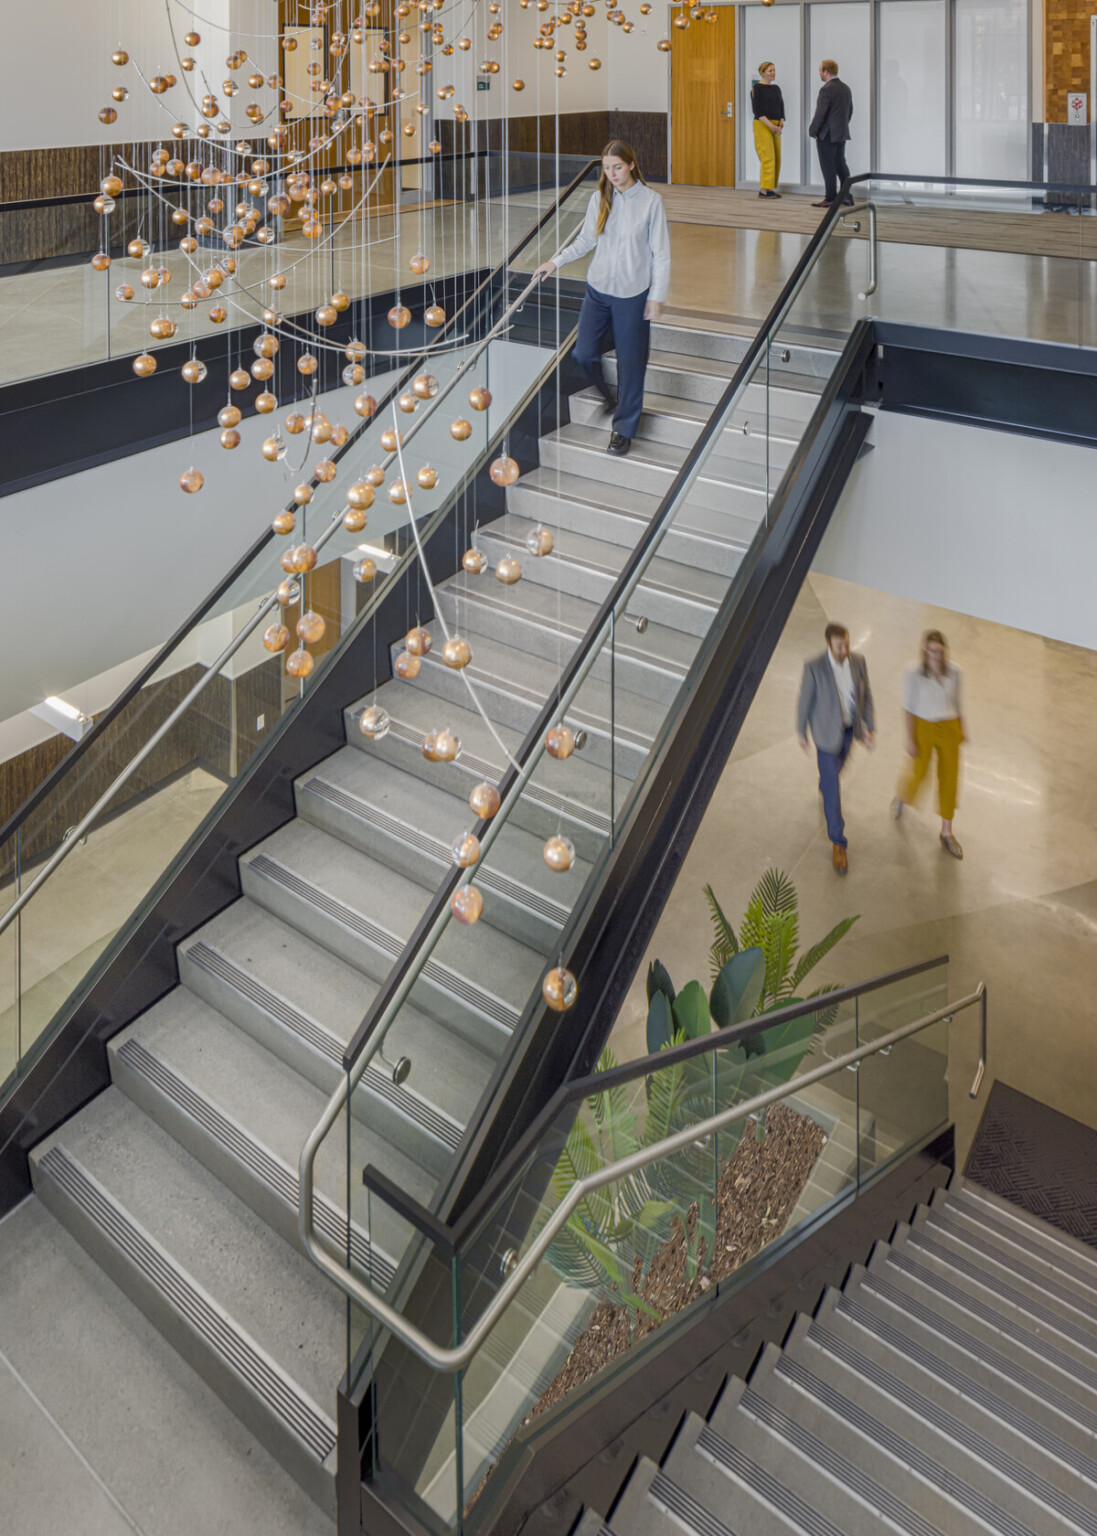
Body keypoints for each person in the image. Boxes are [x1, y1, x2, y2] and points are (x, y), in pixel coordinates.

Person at [534, 140, 670, 458]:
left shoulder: (652, 202)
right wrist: (555, 261)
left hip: (632, 296)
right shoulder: (599, 198)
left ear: (632, 165)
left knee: (631, 363)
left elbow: (661, 255)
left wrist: (657, 296)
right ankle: (611, 399)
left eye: (617, 167)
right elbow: (585, 240)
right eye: (607, 168)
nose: (612, 174)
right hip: (598, 291)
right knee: (582, 353)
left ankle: (623, 429)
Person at [797, 622, 875, 874]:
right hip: (825, 734)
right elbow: (804, 699)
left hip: (850, 730)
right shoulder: (814, 667)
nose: (845, 650)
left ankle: (825, 781)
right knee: (833, 791)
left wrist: (869, 726)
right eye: (840, 646)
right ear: (829, 644)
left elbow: (867, 695)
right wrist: (801, 731)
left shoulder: (858, 661)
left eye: (847, 644)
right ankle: (838, 842)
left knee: (836, 769)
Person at [891, 630, 966, 858]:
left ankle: (946, 832)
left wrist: (962, 728)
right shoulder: (913, 672)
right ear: (925, 650)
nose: (935, 655)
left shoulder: (955, 671)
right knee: (919, 773)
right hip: (923, 725)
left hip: (949, 725)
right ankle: (903, 795)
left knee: (950, 777)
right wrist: (910, 738)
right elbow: (908, 707)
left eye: (939, 651)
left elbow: (957, 702)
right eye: (931, 650)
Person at [809, 59, 854, 209]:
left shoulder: (826, 89)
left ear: (826, 72)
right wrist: (843, 126)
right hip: (841, 133)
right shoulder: (845, 88)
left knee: (828, 166)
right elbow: (850, 110)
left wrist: (813, 131)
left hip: (827, 135)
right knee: (841, 164)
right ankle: (846, 196)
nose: (819, 73)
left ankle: (830, 198)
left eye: (820, 71)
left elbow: (821, 113)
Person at [751, 62, 785, 199]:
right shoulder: (757, 89)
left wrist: (780, 125)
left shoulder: (776, 88)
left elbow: (781, 108)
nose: (773, 73)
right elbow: (758, 111)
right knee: (768, 157)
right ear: (763, 72)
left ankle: (770, 187)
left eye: (774, 70)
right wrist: (772, 127)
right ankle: (764, 190)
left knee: (777, 157)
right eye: (770, 70)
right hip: (762, 124)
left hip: (777, 124)